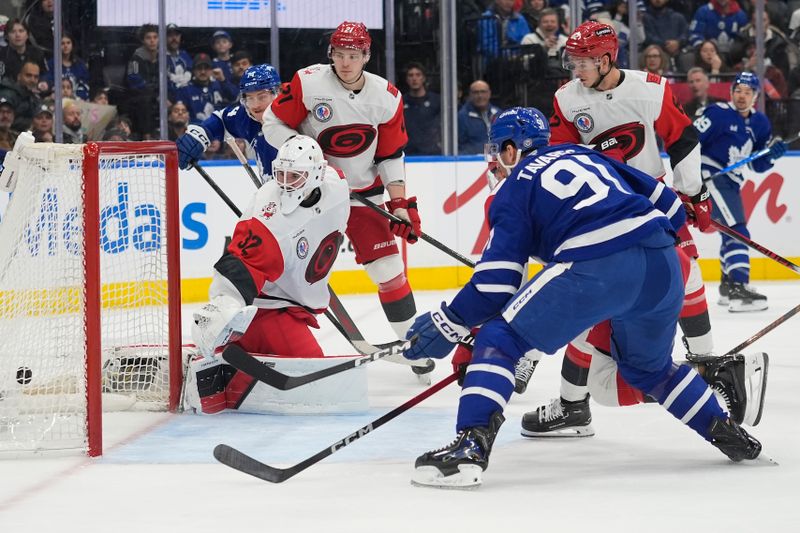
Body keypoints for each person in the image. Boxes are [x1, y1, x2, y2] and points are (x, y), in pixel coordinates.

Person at [402, 107, 764, 488]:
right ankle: (725, 432)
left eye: (498, 150)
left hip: (598, 266)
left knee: (499, 338)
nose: (495, 160)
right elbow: (669, 203)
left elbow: (497, 283)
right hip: (663, 265)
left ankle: (469, 449)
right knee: (648, 369)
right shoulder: (586, 154)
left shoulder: (512, 189)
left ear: (511, 151)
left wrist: (449, 322)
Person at [525, 20, 717, 435]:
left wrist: (693, 192)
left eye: (584, 61)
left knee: (688, 275)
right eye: (572, 60)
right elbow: (562, 159)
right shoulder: (566, 98)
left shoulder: (649, 88)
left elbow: (682, 140)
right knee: (586, 310)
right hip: (603, 213)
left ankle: (710, 368)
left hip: (653, 203)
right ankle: (573, 407)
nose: (576, 69)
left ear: (607, 58)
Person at [261, 21, 434, 382]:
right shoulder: (308, 82)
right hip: (313, 195)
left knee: (388, 271)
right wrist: (307, 157)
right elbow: (273, 122)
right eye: (339, 54)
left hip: (362, 195)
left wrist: (399, 203)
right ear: (331, 55)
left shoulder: (386, 97)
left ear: (366, 56)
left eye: (353, 56)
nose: (345, 62)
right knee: (285, 269)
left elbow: (390, 154)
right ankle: (274, 340)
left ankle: (412, 345)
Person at [190, 135, 351, 408]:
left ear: (317, 175)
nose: (286, 183)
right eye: (281, 174)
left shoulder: (336, 184)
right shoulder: (272, 215)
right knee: (319, 391)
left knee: (313, 385)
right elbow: (241, 263)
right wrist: (223, 307)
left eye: (294, 175)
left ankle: (231, 364)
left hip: (287, 305)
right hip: (268, 310)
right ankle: (215, 368)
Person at [695, 72, 788, 312]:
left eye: (748, 92)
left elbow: (757, 164)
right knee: (737, 230)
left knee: (731, 230)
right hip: (711, 176)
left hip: (732, 182)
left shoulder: (760, 123)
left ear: (756, 96)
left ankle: (728, 286)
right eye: (738, 90)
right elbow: (690, 141)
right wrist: (692, 178)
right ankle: (738, 286)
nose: (742, 96)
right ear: (731, 92)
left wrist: (772, 155)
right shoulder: (717, 114)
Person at [176, 64, 280, 177]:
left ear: (276, 93)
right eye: (250, 98)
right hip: (271, 190)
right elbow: (221, 121)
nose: (255, 105)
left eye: (262, 97)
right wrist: (199, 135)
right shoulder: (247, 117)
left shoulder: (295, 115)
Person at [171, 53, 237, 125]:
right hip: (195, 131)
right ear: (193, 71)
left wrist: (223, 80)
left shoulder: (219, 85)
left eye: (206, 68)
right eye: (199, 68)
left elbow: (234, 97)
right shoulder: (185, 90)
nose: (203, 72)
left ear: (211, 70)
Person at [402, 62, 441, 155]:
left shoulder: (436, 100)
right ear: (407, 79)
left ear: (423, 78)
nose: (414, 78)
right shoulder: (400, 101)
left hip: (432, 154)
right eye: (411, 75)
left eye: (418, 75)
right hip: (408, 154)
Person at [458, 80, 501, 154]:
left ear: (489, 93)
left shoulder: (498, 114)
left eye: (483, 92)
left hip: (497, 160)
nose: (480, 96)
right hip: (472, 162)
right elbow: (461, 147)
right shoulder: (461, 117)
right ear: (470, 95)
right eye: (476, 92)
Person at [43, 32, 90, 101]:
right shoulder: (51, 64)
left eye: (68, 43)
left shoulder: (80, 65)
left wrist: (76, 97)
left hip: (76, 101)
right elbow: (47, 82)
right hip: (55, 101)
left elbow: (84, 86)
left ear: (72, 45)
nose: (65, 46)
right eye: (62, 43)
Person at [0, 60, 43, 132]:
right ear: (19, 76)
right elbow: (5, 120)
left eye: (36, 77)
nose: (32, 80)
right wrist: (32, 122)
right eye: (28, 75)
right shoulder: (8, 94)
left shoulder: (34, 98)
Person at [0, 19, 46, 84]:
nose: (17, 35)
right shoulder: (1, 54)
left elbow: (45, 75)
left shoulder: (37, 53)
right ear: (7, 36)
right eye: (13, 32)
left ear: (27, 35)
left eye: (21, 31)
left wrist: (43, 84)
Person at [166, 24, 193, 92]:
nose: (174, 38)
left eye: (176, 35)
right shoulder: (160, 57)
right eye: (170, 35)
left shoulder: (184, 55)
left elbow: (191, 70)